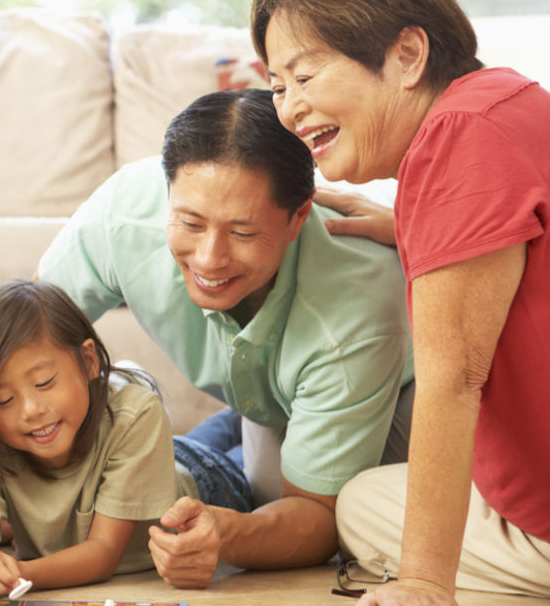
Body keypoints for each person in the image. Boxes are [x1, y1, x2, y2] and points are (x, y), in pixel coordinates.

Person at [252, 0, 550, 602]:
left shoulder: (456, 138)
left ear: (407, 55)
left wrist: (421, 583)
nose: (290, 108)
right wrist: (417, 227)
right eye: (277, 87)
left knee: (358, 506)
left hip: (542, 525)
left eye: (304, 75)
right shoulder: (509, 100)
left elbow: (455, 378)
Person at [37, 88, 414, 587]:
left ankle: (228, 439)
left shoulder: (354, 314)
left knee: (268, 503)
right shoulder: (124, 214)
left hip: (392, 398)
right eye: (190, 223)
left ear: (299, 216)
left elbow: (317, 518)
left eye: (241, 232)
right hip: (273, 396)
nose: (210, 259)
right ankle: (230, 427)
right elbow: (18, 343)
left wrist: (227, 535)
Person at [0, 280, 248, 604]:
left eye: (44, 382)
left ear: (88, 361)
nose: (30, 411)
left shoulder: (136, 415)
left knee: (248, 452)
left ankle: (243, 415)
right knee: (202, 436)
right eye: (3, 400)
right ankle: (234, 418)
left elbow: (103, 553)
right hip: (149, 458)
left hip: (205, 480)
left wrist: (14, 573)